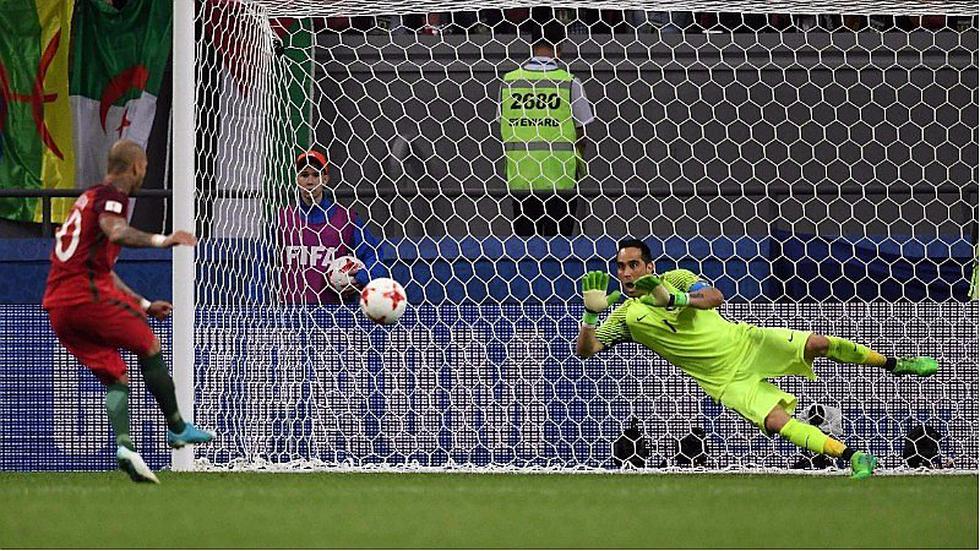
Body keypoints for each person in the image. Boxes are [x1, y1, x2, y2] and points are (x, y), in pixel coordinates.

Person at [575, 238, 940, 479]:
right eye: (621, 267)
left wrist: (673, 300)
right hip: (723, 381)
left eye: (633, 264)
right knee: (778, 421)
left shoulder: (678, 278)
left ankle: (897, 363)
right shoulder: (624, 316)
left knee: (816, 343)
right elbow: (586, 351)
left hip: (747, 343)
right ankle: (853, 458)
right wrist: (590, 318)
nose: (626, 273)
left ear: (650, 267)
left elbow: (715, 297)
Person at [42, 139, 213, 484]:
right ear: (136, 166)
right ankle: (178, 427)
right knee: (149, 346)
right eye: (145, 168)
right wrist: (161, 241)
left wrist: (145, 304)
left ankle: (125, 448)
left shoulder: (87, 199)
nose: (144, 174)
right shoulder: (112, 197)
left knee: (116, 375)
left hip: (59, 309)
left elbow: (105, 270)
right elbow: (116, 231)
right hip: (84, 297)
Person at [499, 21, 594, 237]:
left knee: (526, 252)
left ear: (531, 46)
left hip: (521, 179)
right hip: (560, 179)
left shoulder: (510, 82)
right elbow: (582, 132)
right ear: (560, 47)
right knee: (559, 250)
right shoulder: (569, 83)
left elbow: (503, 125)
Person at [278, 148, 385, 304]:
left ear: (325, 179)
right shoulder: (283, 219)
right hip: (291, 311)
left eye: (316, 175)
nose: (310, 181)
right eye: (304, 175)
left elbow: (374, 255)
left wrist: (362, 277)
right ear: (297, 179)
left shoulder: (346, 219)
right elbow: (263, 262)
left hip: (334, 312)